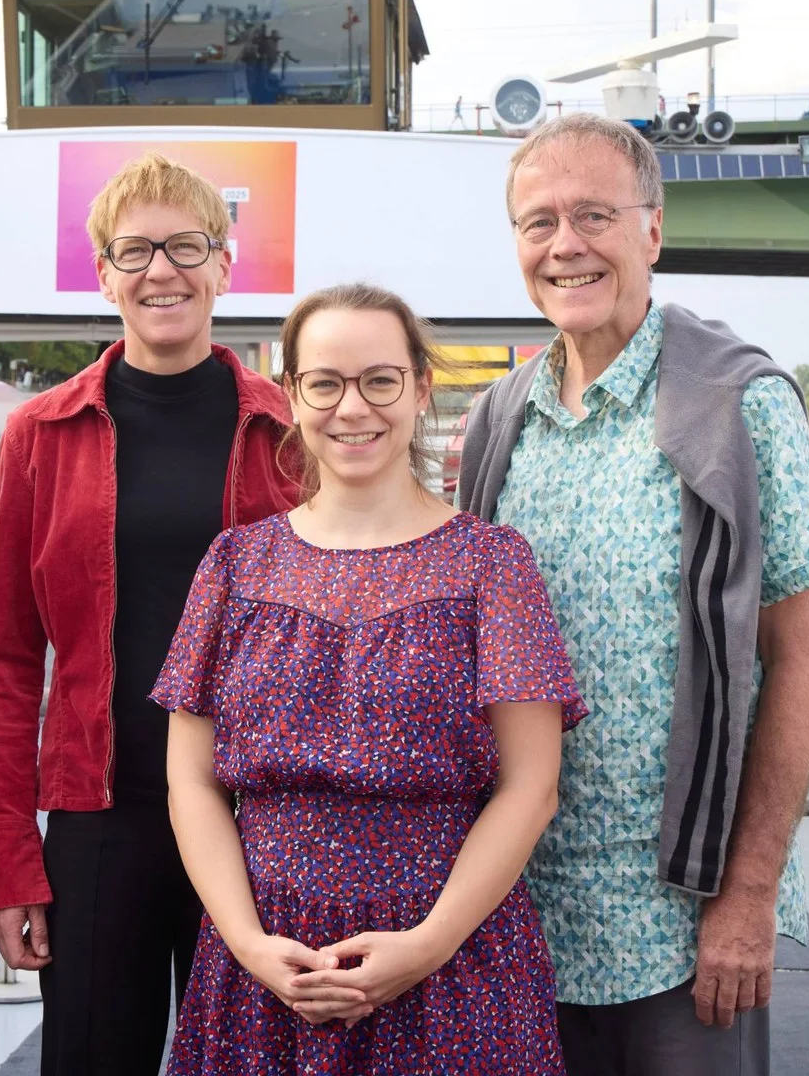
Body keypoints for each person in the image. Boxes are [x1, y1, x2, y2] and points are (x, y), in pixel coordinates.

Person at [458, 112, 809, 1075]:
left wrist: (750, 896)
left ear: (653, 232)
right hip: (524, 908)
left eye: (594, 214)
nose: (565, 246)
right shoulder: (498, 422)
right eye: (537, 222)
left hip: (682, 914)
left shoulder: (739, 405)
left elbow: (805, 659)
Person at [153, 282, 587, 1075]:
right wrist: (250, 944)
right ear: (291, 395)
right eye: (325, 382)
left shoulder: (493, 563)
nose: (352, 407)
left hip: (450, 959)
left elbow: (532, 787)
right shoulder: (234, 566)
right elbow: (191, 781)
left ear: (421, 389)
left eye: (380, 380)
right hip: (268, 964)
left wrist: (426, 947)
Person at [0, 152, 299, 1076]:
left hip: (256, 821)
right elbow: (3, 661)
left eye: (187, 246)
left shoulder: (288, 433)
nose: (163, 270)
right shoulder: (42, 433)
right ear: (104, 273)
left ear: (225, 265)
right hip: (99, 821)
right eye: (135, 250)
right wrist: (5, 860)